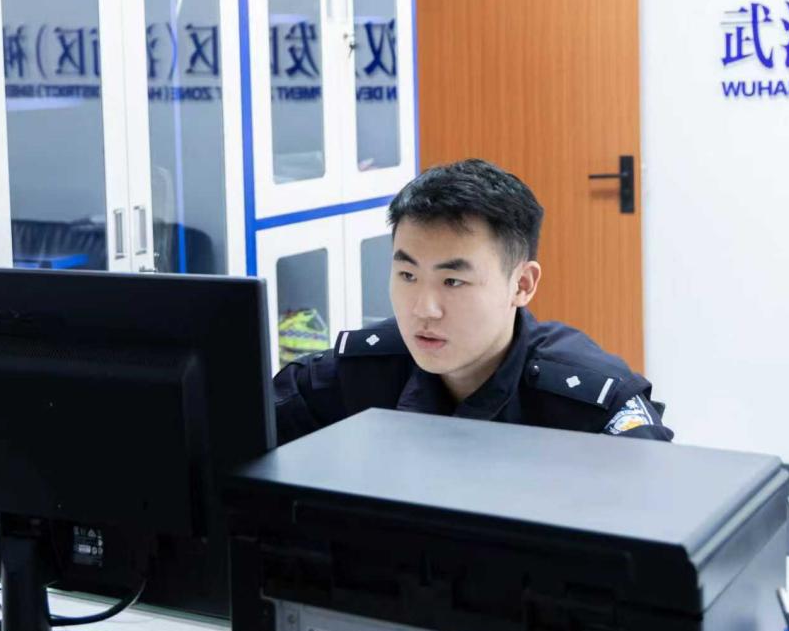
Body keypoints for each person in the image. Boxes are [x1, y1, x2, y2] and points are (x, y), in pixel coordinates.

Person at [273, 158, 673, 445]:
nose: (423, 309)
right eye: (408, 276)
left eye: (453, 281)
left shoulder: (589, 403)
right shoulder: (360, 371)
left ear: (522, 284)